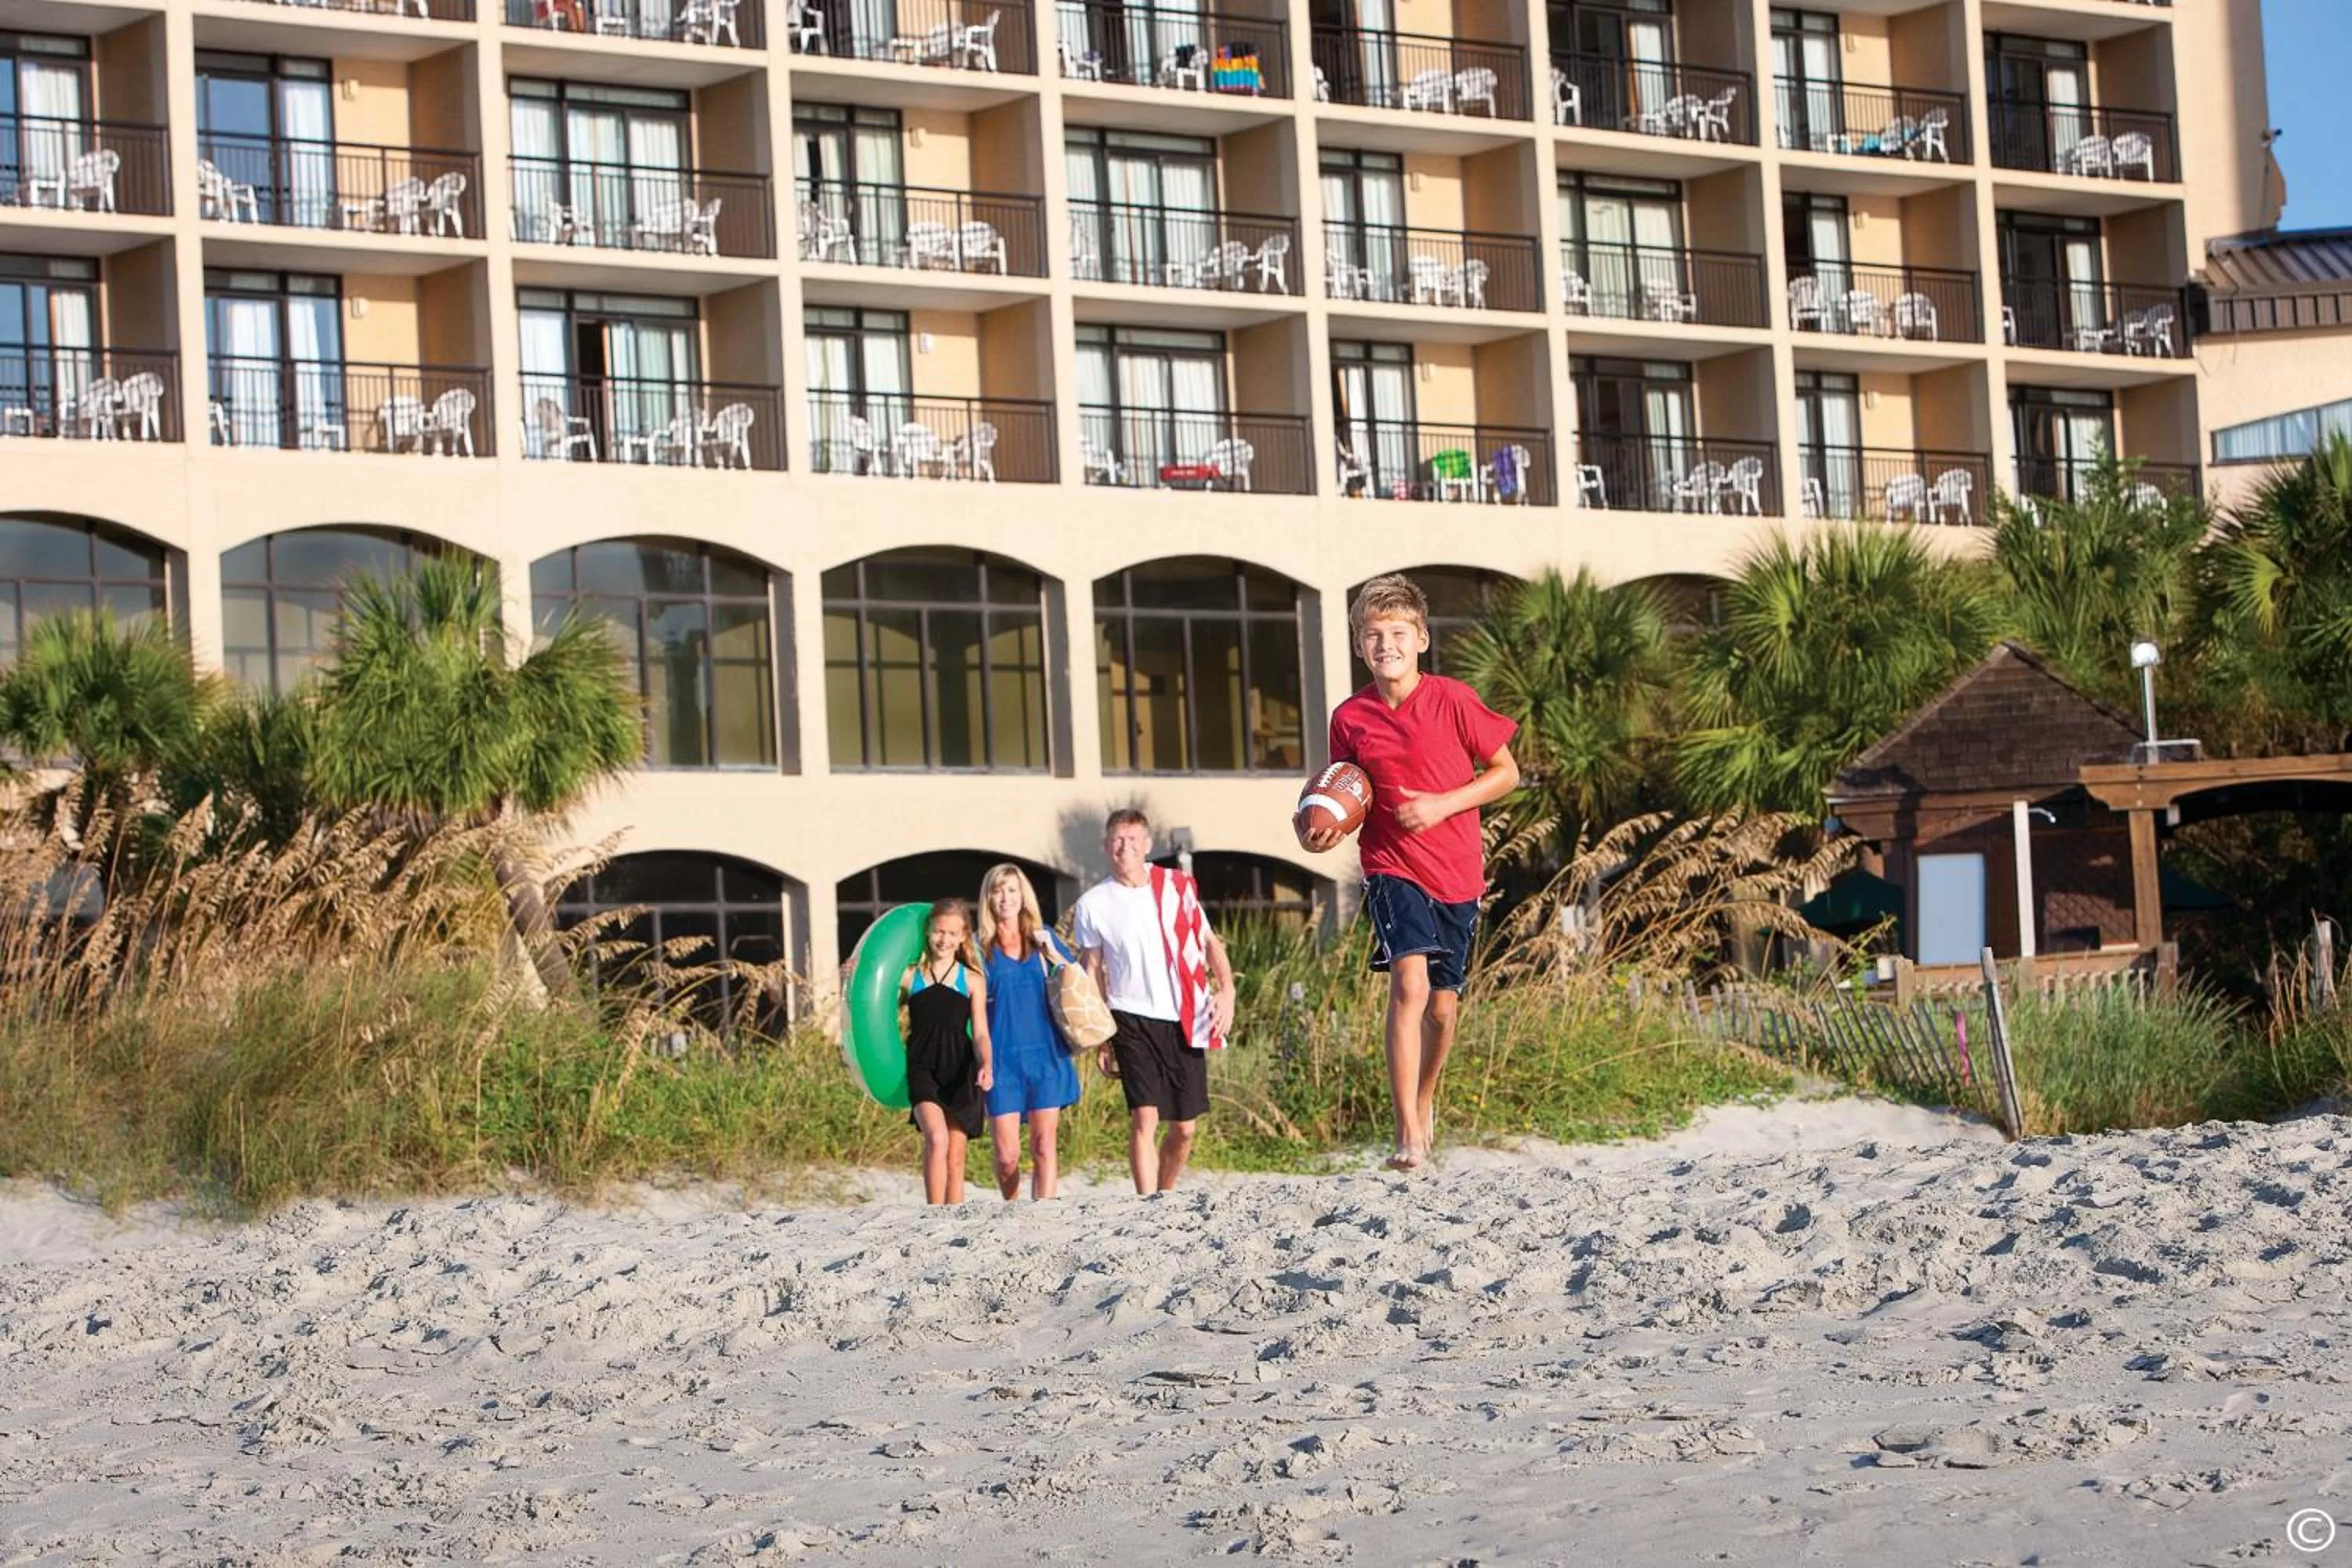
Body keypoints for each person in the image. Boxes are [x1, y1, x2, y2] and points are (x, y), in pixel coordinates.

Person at [1300, 574, 1519, 1173]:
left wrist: (1442, 804)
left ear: (1421, 639)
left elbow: (1506, 773)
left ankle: (1423, 1102)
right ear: (1358, 646)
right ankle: (1407, 1135)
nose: (1385, 644)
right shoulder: (1351, 717)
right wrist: (1323, 832)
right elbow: (1344, 793)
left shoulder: (1453, 699)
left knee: (1443, 1012)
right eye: (1373, 636)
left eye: (1397, 633)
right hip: (1391, 867)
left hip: (1457, 871)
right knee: (1409, 986)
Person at [1070, 809, 1234, 1195]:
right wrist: (1101, 1033)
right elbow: (1092, 969)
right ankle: (1146, 1203)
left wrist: (1226, 990)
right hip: (1129, 1016)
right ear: (1105, 846)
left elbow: (1209, 942)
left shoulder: (1177, 886)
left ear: (1146, 845)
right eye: (1116, 840)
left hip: (1185, 1014)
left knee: (1185, 1128)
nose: (1123, 847)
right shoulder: (1093, 904)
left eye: (1131, 840)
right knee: (1145, 1116)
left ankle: (1165, 1192)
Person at [977, 862, 1082, 1201]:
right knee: (1007, 1158)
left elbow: (1076, 981)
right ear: (988, 898)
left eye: (1011, 890)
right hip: (1001, 1060)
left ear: (1023, 896)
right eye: (997, 890)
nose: (1005, 898)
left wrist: (1051, 951)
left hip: (1046, 1056)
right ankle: (1011, 1208)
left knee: (1044, 1146)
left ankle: (1043, 1219)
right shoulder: (979, 949)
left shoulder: (1043, 938)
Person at [898, 898, 991, 1204]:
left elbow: (979, 1033)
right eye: (939, 931)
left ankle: (953, 1224)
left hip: (960, 1069)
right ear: (928, 931)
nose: (944, 939)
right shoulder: (911, 976)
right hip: (923, 1066)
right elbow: (869, 992)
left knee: (955, 1157)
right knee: (936, 1139)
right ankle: (932, 1215)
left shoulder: (972, 980)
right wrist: (853, 971)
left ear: (964, 936)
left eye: (952, 934)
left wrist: (986, 1063)